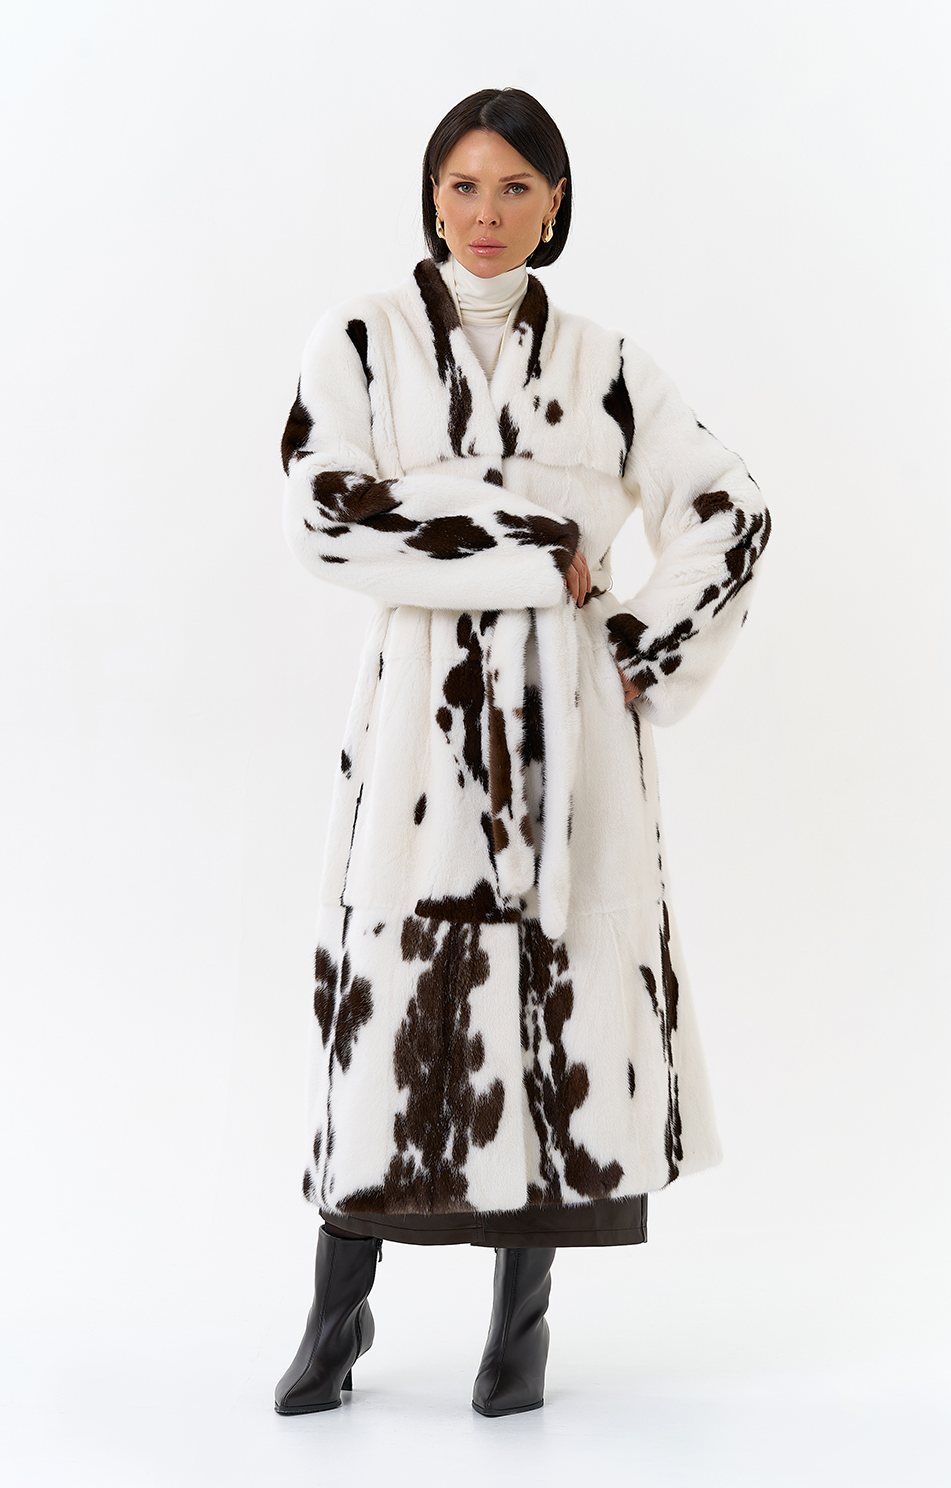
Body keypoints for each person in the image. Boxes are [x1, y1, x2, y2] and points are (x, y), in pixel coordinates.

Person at [274, 87, 771, 1418]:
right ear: (430, 197)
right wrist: (536, 546)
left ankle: (521, 1331)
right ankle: (336, 1314)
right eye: (461, 186)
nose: (484, 213)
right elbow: (326, 512)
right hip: (418, 738)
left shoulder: (608, 361)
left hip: (571, 735)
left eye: (514, 188)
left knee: (555, 1015)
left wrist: (640, 643)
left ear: (554, 204)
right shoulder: (363, 339)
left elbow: (731, 506)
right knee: (391, 1017)